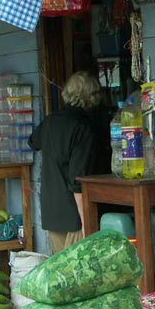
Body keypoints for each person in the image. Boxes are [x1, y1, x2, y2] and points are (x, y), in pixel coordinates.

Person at [29, 71, 104, 254]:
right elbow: (78, 181)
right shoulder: (83, 128)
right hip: (74, 215)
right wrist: (87, 223)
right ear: (92, 97)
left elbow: (33, 141)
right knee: (78, 267)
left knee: (61, 268)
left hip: (52, 210)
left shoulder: (51, 121)